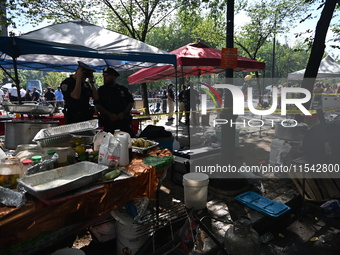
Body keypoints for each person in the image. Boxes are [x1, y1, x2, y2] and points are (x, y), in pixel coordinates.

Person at [95, 66, 135, 137]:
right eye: (104, 76)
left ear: (113, 77)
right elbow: (97, 105)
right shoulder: (101, 90)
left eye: (107, 76)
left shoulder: (122, 89)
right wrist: (109, 115)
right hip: (108, 123)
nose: (105, 78)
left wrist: (124, 113)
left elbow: (130, 102)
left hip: (123, 123)